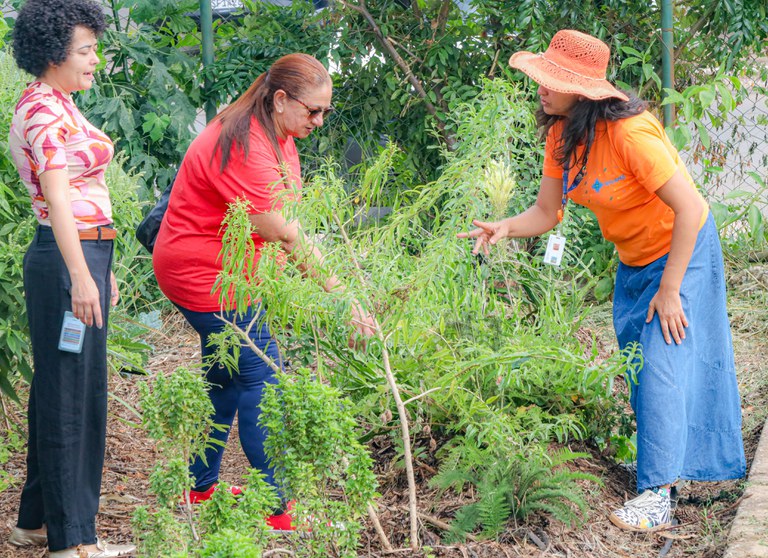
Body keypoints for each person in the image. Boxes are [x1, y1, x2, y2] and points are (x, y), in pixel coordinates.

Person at [459, 29, 746, 532]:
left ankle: (657, 496)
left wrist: (672, 288)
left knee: (661, 357)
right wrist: (505, 227)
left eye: (552, 79)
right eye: (541, 76)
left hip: (683, 249)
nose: (541, 86)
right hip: (633, 260)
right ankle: (665, 467)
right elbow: (547, 212)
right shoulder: (561, 134)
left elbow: (693, 208)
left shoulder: (630, 133)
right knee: (639, 362)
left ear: (583, 89)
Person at [152, 53, 376, 529]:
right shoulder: (245, 144)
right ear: (280, 99)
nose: (319, 120)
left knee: (227, 376)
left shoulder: (276, 131)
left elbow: (285, 221)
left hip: (231, 272)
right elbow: (284, 232)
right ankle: (278, 508)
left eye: (325, 112)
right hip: (207, 275)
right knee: (263, 379)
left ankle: (199, 487)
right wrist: (342, 297)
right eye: (312, 111)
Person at [6, 1, 136, 556]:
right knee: (72, 397)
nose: (94, 59)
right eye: (85, 50)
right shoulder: (41, 111)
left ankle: (36, 522)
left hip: (81, 258)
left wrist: (96, 270)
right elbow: (58, 201)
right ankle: (73, 541)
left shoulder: (60, 104)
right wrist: (81, 276)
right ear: (53, 53)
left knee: (60, 390)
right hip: (66, 259)